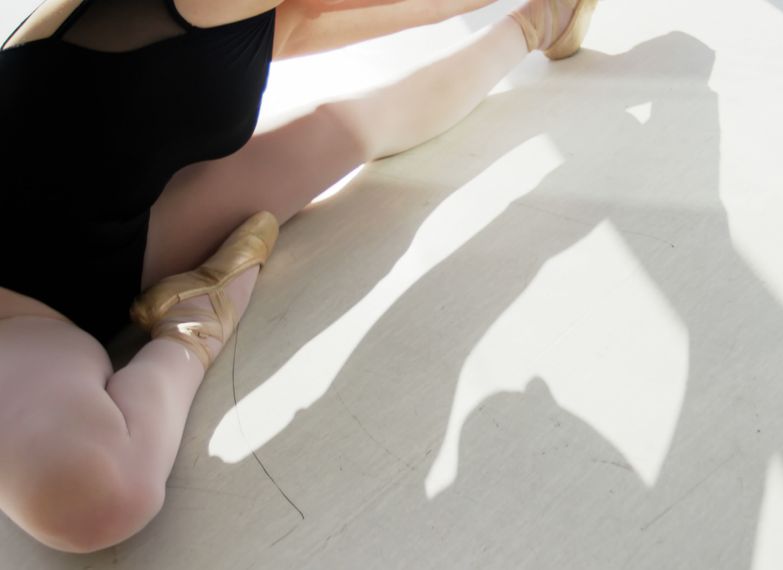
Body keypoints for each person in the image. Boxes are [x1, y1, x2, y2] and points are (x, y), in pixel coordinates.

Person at [0, 0, 598, 553]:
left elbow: (348, 27)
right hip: (19, 313)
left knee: (360, 133)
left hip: (122, 241)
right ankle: (194, 329)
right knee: (97, 498)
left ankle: (539, 22)